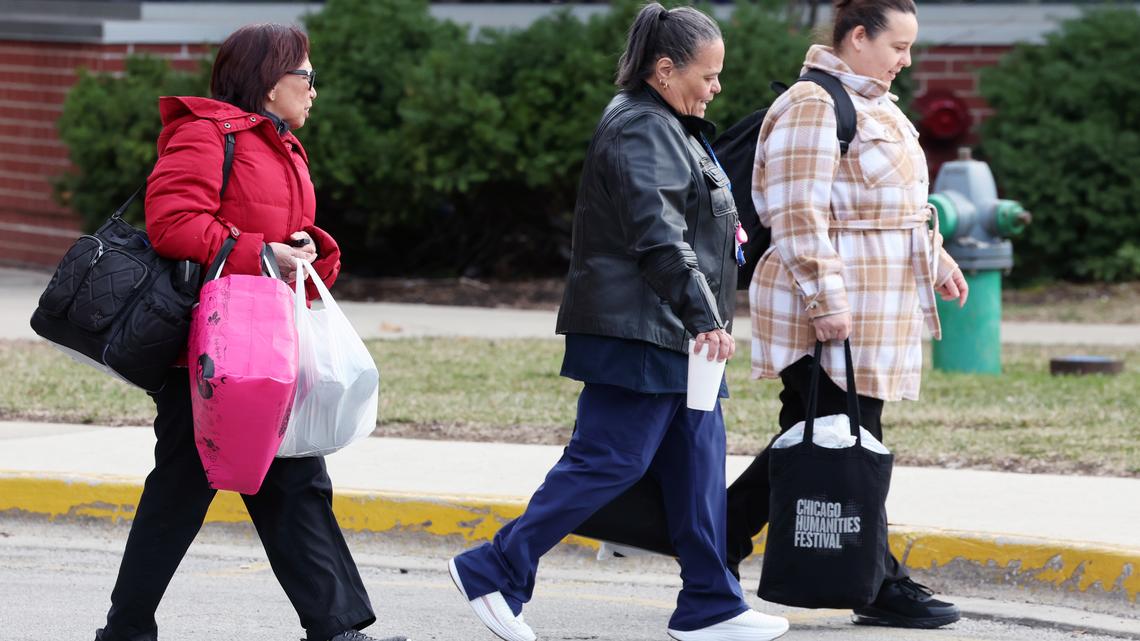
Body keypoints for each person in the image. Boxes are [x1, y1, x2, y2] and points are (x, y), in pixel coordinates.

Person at [446, 5, 789, 641]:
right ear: (665, 70)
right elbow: (656, 234)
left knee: (699, 465)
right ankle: (494, 569)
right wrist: (703, 314)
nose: (717, 87)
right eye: (708, 75)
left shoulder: (674, 124)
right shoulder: (642, 128)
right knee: (609, 461)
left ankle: (711, 604)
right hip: (642, 331)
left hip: (678, 335)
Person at [93, 23, 407, 641]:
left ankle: (337, 628)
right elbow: (174, 224)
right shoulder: (204, 135)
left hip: (263, 348)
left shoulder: (280, 144)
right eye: (307, 76)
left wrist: (308, 249)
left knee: (295, 480)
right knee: (182, 493)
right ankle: (126, 630)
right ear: (269, 85)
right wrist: (263, 252)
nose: (315, 89)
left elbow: (272, 233)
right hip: (206, 357)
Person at [724, 0, 968, 630]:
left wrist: (937, 258)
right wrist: (827, 302)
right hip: (831, 309)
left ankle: (712, 538)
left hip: (875, 309)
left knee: (822, 441)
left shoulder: (875, 104)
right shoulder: (813, 105)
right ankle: (879, 584)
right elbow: (796, 212)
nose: (905, 62)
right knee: (849, 442)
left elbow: (899, 203)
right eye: (898, 47)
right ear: (859, 37)